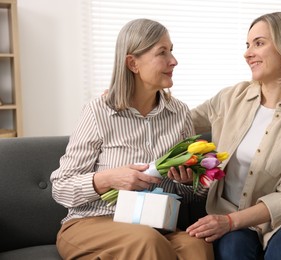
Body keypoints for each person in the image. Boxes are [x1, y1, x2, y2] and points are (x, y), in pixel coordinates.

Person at [50, 18, 213, 260]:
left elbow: (190, 195)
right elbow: (61, 187)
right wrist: (108, 178)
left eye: (172, 51)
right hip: (92, 222)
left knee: (196, 247)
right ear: (132, 63)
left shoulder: (179, 113)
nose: (173, 61)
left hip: (156, 225)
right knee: (146, 241)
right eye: (162, 52)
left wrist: (187, 183)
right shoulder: (98, 111)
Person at [185, 12, 281, 260]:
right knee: (233, 250)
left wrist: (230, 222)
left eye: (259, 43)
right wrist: (136, 97)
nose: (247, 53)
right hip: (230, 214)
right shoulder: (231, 98)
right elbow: (179, 121)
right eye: (248, 44)